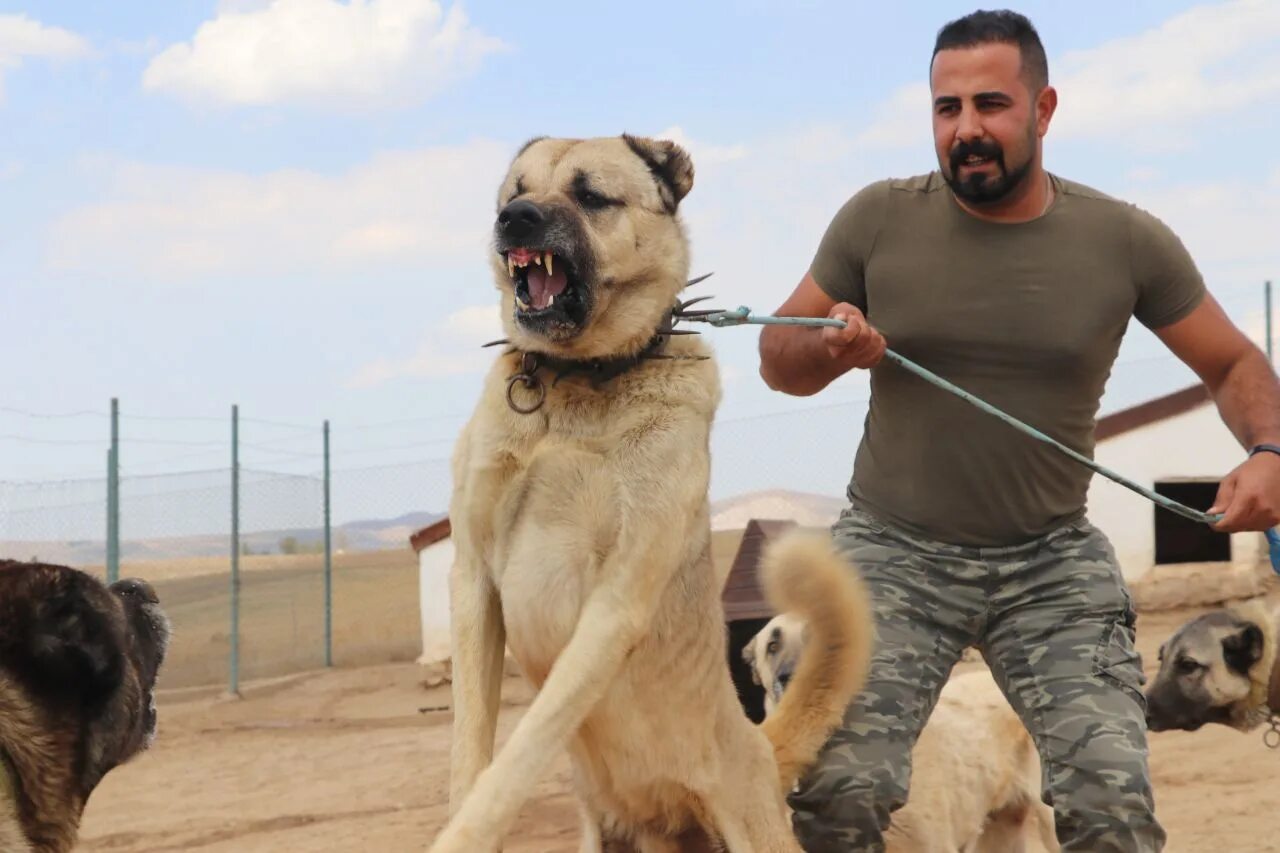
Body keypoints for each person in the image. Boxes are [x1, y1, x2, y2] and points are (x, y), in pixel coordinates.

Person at [757, 8, 1280, 853]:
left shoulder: (1127, 240)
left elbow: (1232, 365)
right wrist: (830, 345)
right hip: (893, 553)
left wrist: (1268, 451)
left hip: (1050, 560)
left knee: (1111, 808)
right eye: (946, 108)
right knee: (837, 793)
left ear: (1043, 109)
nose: (966, 129)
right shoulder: (876, 220)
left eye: (991, 104)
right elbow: (779, 360)